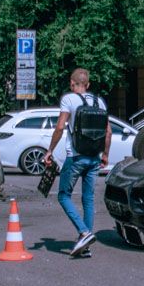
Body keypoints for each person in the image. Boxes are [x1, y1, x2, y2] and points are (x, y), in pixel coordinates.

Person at [47, 68, 112, 258]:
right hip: (94, 158)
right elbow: (108, 132)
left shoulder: (68, 100)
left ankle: (84, 233)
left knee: (63, 196)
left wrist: (50, 150)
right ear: (88, 84)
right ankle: (86, 246)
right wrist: (105, 155)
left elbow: (60, 127)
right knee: (88, 199)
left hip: (75, 156)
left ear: (72, 83)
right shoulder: (99, 101)